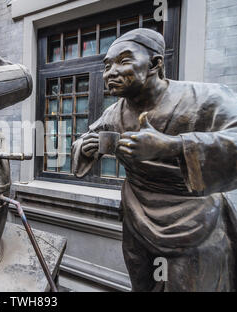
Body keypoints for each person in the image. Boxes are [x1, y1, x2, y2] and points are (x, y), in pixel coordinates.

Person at [72, 28, 237, 291]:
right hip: (137, 215)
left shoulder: (206, 98)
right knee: (143, 284)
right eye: (107, 66)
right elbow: (85, 138)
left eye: (123, 61)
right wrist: (86, 146)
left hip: (194, 220)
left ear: (155, 64)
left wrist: (172, 146)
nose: (110, 72)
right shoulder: (114, 112)